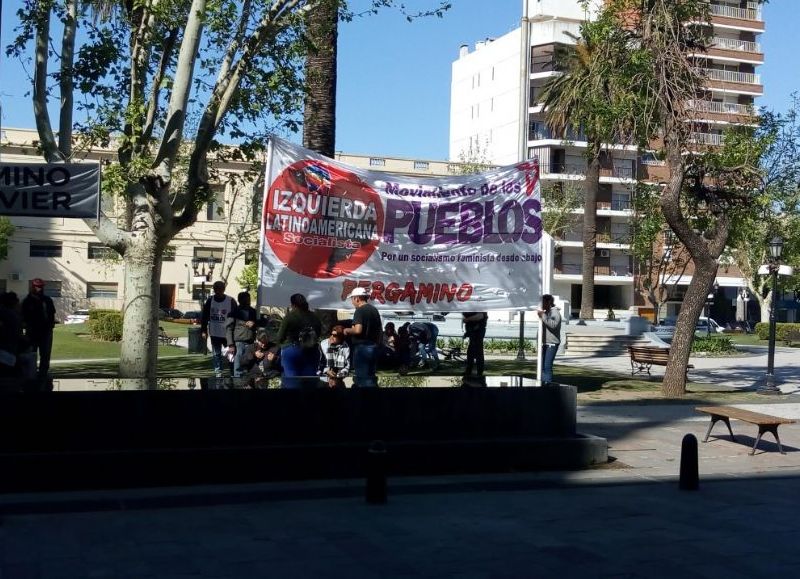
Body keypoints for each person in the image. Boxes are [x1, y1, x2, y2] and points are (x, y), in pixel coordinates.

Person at [275, 293, 322, 388]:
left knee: (292, 382)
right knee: (309, 382)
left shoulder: (290, 317)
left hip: (292, 351)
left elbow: (279, 337)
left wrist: (282, 345)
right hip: (312, 351)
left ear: (293, 305)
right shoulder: (315, 317)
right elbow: (319, 333)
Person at [343, 287, 382, 387]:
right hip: (373, 347)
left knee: (362, 378)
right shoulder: (374, 310)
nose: (352, 302)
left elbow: (357, 330)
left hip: (362, 348)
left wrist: (346, 330)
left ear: (357, 298)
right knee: (371, 376)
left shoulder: (359, 311)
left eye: (352, 299)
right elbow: (379, 331)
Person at [200, 281, 237, 378]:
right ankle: (218, 373)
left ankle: (232, 372)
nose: (218, 290)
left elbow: (236, 317)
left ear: (224, 289)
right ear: (214, 289)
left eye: (220, 288)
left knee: (230, 354)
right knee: (216, 354)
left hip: (227, 334)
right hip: (215, 332)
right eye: (216, 288)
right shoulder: (210, 300)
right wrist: (204, 330)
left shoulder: (230, 301)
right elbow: (204, 316)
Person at [21, 278, 56, 379]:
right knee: (31, 354)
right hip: (32, 332)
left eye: (41, 287)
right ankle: (31, 375)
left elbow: (51, 315)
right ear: (32, 287)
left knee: (45, 355)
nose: (39, 289)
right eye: (37, 287)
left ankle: (43, 374)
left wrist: (50, 326)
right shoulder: (27, 301)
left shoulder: (47, 300)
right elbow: (23, 317)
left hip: (46, 332)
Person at [226, 291, 260, 379]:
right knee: (238, 366)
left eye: (249, 299)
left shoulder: (253, 311)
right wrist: (230, 345)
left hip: (250, 342)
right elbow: (228, 329)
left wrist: (254, 323)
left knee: (249, 365)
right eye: (246, 299)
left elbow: (260, 323)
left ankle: (248, 381)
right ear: (240, 300)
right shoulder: (234, 312)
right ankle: (237, 382)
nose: (248, 301)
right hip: (239, 343)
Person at [537, 294, 562, 385]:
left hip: (551, 344)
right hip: (544, 343)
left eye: (543, 302)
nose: (541, 304)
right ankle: (542, 384)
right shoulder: (547, 312)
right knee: (542, 366)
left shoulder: (555, 313)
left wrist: (543, 315)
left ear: (548, 302)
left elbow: (553, 325)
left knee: (547, 366)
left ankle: (547, 386)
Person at [463, 311, 488, 377]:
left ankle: (478, 373)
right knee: (471, 352)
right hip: (473, 332)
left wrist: (467, 319)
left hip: (478, 332)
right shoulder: (471, 309)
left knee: (477, 352)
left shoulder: (480, 309)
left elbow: (480, 315)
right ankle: (471, 371)